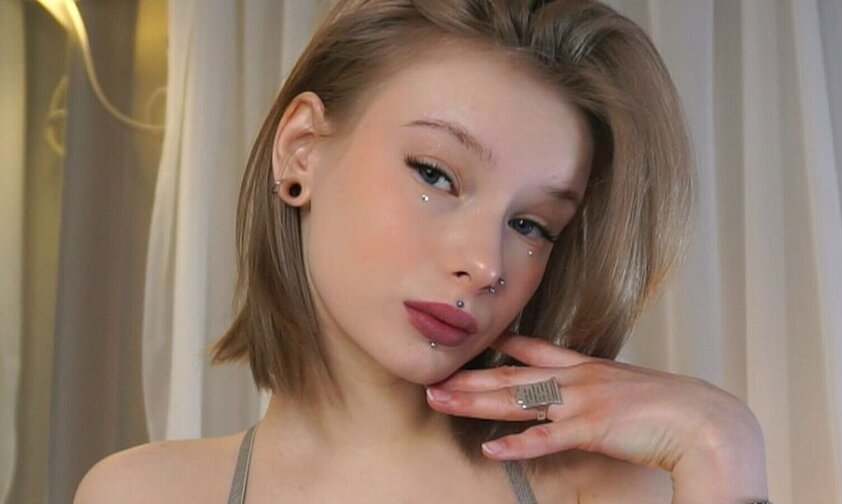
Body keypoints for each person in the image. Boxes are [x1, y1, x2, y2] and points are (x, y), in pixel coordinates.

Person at [75, 1, 771, 502]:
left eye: (531, 225)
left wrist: (721, 444)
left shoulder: (602, 491)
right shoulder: (142, 493)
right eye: (436, 174)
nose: (487, 264)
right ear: (301, 151)